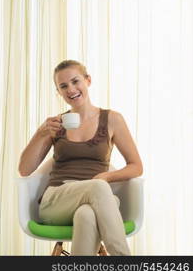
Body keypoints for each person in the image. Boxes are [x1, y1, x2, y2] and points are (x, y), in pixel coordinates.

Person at [18, 60, 143, 256]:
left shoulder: (112, 119)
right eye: (63, 86)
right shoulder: (56, 125)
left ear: (88, 81)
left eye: (76, 81)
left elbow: (136, 166)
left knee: (87, 213)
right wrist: (41, 133)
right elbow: (24, 169)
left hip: (97, 199)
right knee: (99, 188)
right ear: (58, 92)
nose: (71, 89)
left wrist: (106, 177)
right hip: (56, 201)